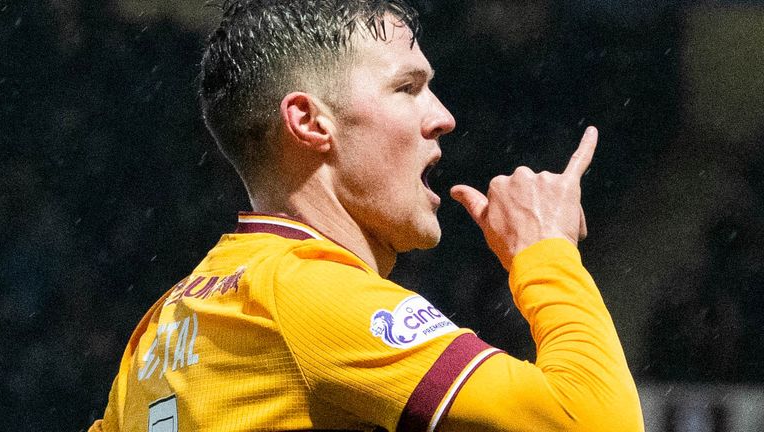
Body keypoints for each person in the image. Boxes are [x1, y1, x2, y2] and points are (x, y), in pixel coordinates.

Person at [89, 1, 643, 431]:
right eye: (407, 88)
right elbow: (595, 421)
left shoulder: (162, 324)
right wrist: (545, 253)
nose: (444, 117)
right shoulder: (307, 294)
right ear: (310, 122)